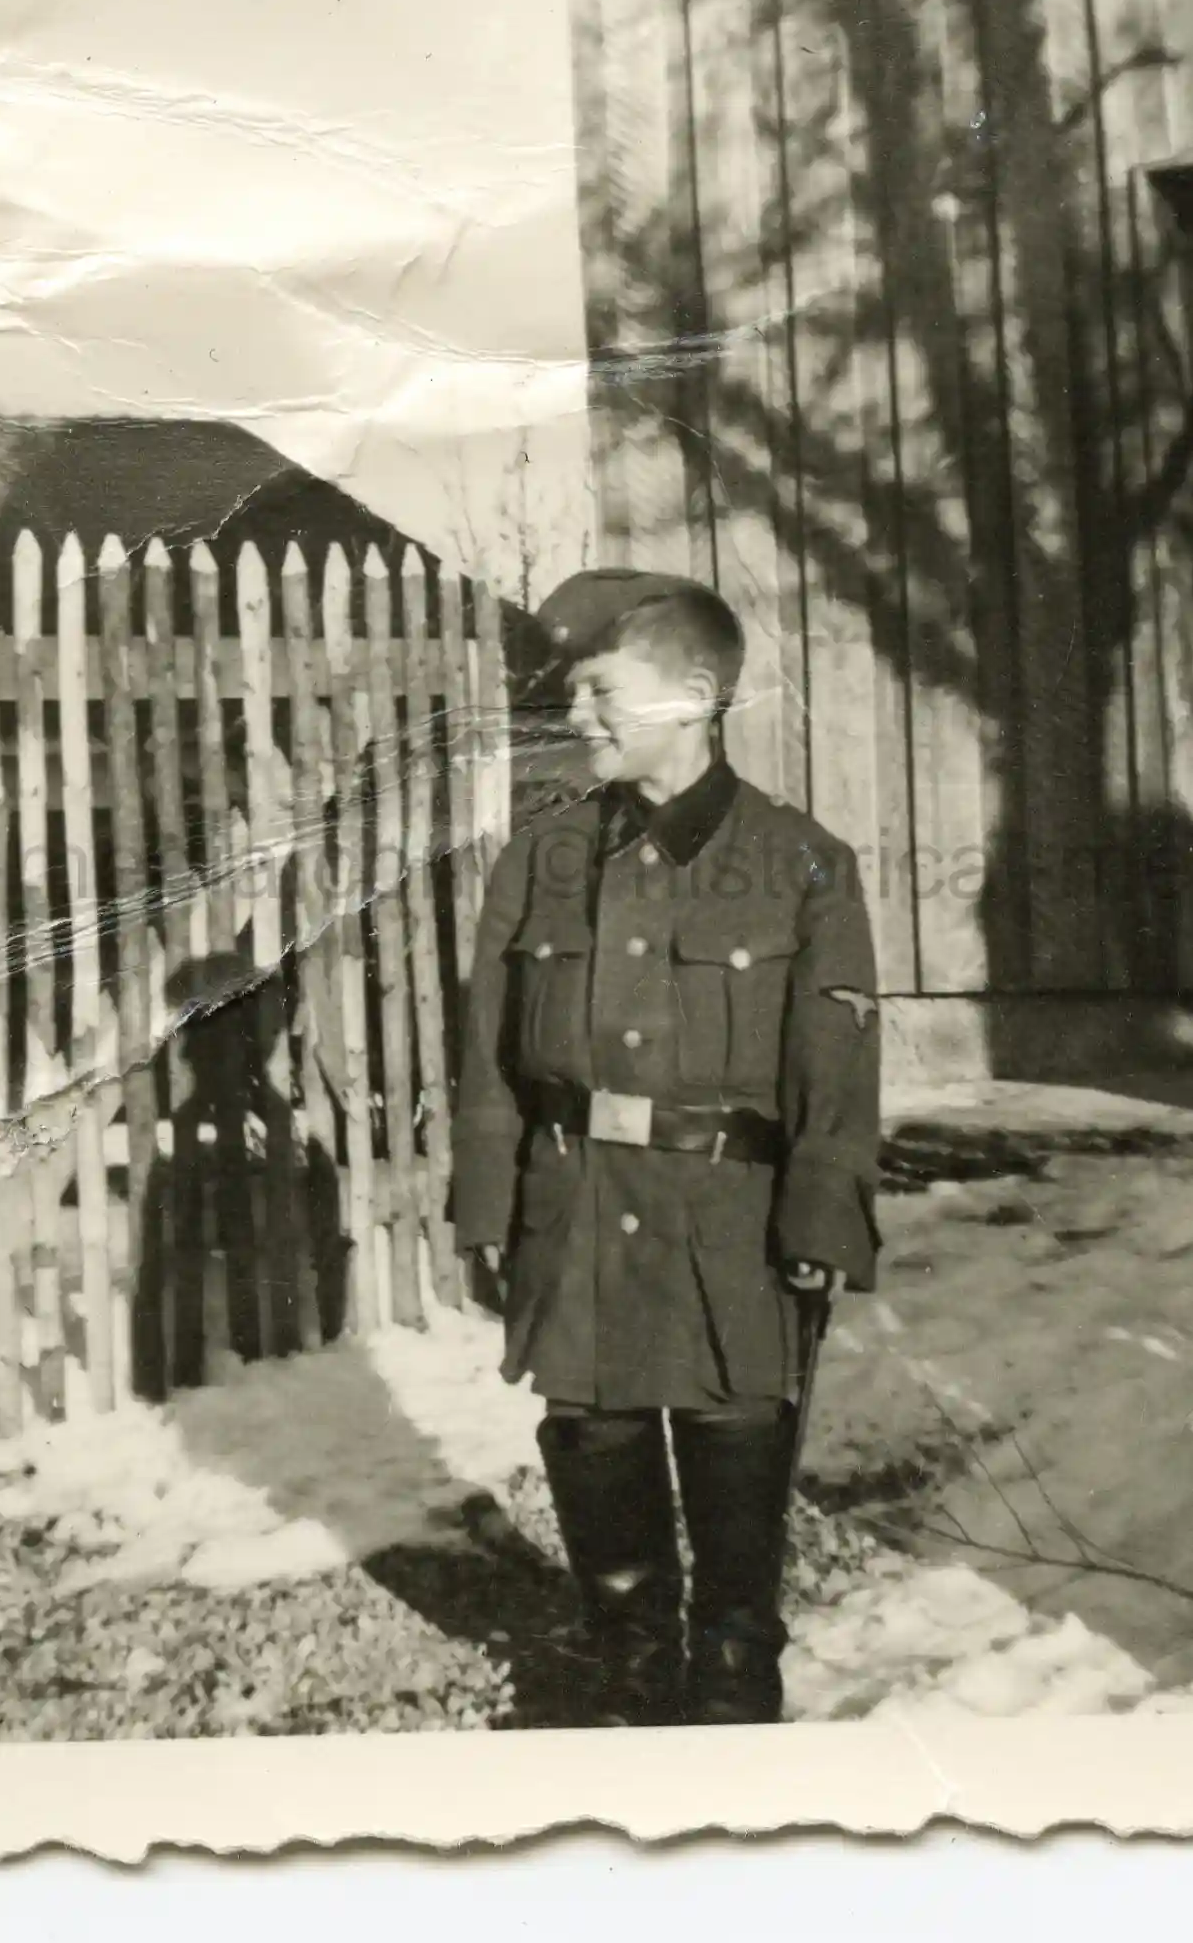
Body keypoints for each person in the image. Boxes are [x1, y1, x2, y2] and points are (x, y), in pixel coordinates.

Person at [450, 568, 883, 1725]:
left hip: (727, 1213)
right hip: (577, 1200)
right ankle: (628, 1662)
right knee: (590, 1427)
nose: (575, 712)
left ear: (692, 695)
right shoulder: (537, 860)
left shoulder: (801, 861)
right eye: (571, 691)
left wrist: (820, 1214)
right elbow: (489, 1057)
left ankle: (735, 1670)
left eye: (600, 688)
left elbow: (833, 1070)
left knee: (733, 1423)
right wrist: (486, 1205)